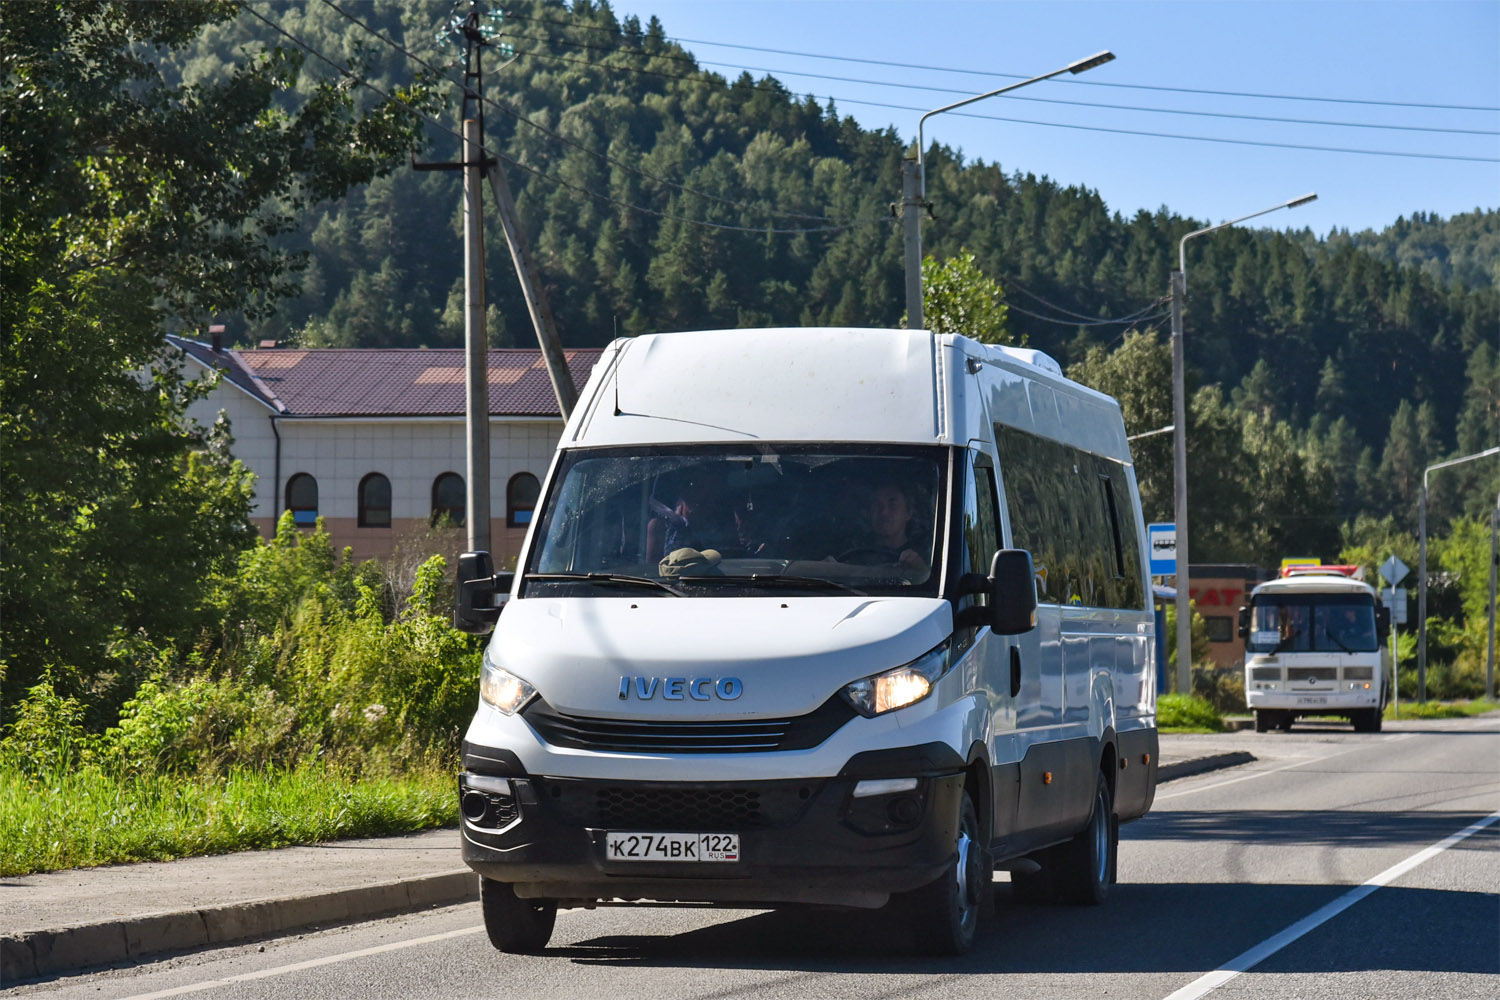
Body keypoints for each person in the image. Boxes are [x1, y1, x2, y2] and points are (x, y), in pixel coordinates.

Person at [831, 481, 928, 576]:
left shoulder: (925, 554)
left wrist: (921, 571)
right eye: (876, 504)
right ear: (869, 513)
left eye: (892, 504)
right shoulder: (852, 550)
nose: (883, 512)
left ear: (908, 513)